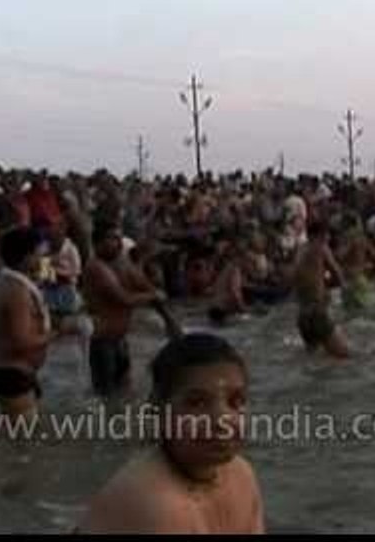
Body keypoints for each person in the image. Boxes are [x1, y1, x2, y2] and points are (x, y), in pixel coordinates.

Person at [77, 333, 264, 534]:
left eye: (235, 401)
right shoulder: (158, 502)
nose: (223, 420)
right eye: (197, 403)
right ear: (159, 411)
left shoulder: (242, 474)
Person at [82, 222, 170, 399]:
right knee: (106, 399)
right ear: (98, 242)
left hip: (121, 342)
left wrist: (169, 320)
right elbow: (124, 299)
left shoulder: (121, 263)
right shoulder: (96, 267)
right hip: (103, 343)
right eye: (113, 238)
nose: (119, 243)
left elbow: (145, 286)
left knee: (125, 397)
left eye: (119, 238)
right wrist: (153, 296)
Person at [0, 227, 52, 418]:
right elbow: (21, 343)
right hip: (12, 373)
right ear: (27, 256)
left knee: (19, 440)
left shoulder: (11, 282)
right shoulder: (16, 291)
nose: (44, 259)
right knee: (25, 441)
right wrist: (61, 331)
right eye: (41, 254)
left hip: (15, 371)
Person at [291, 220, 349, 358]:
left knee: (315, 359)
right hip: (317, 312)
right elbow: (337, 273)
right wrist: (343, 289)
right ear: (321, 235)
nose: (329, 238)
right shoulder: (321, 247)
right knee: (344, 356)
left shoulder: (300, 250)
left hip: (303, 314)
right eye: (327, 234)